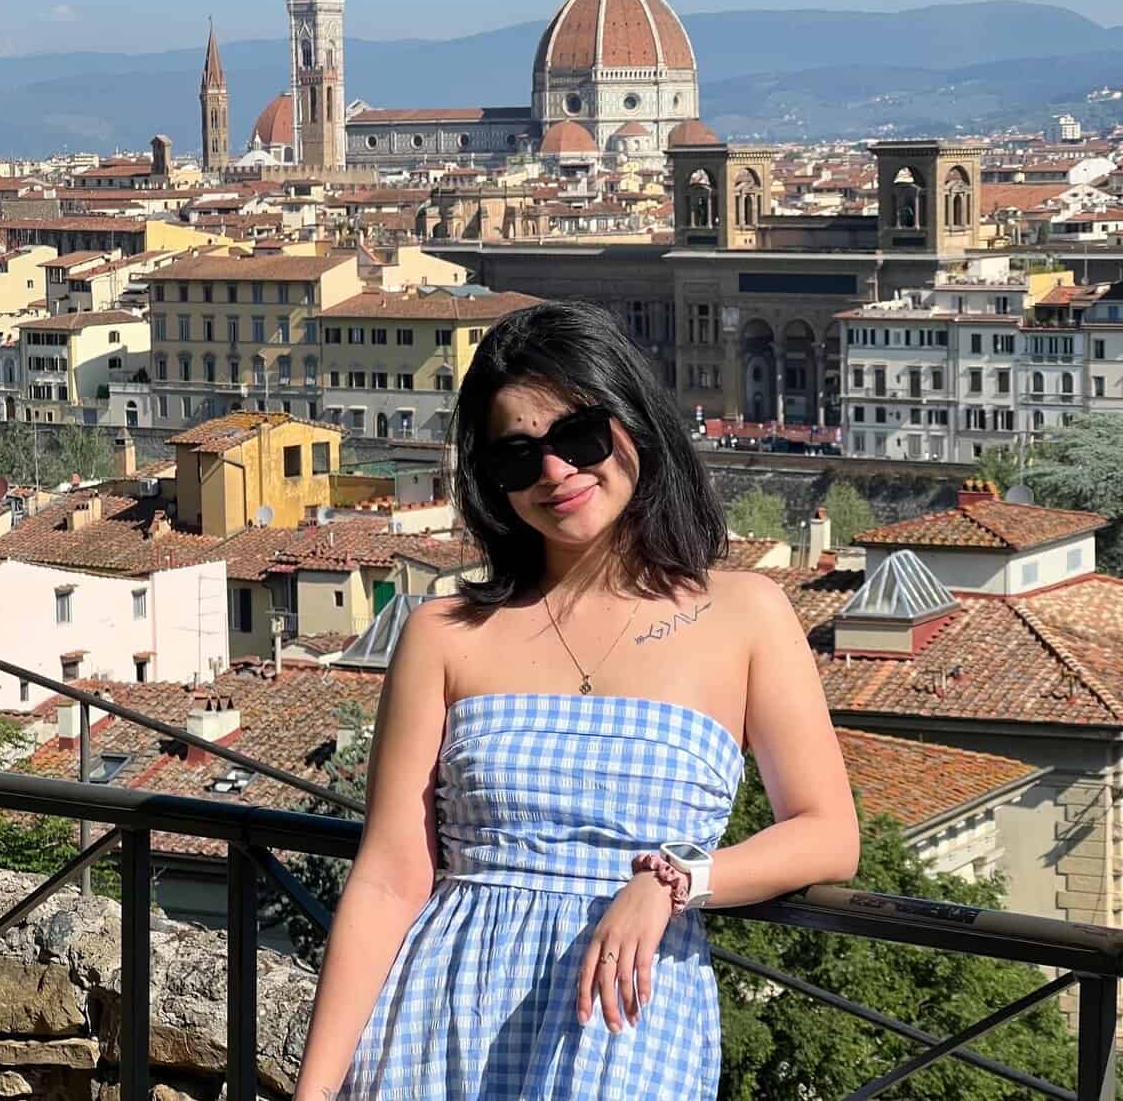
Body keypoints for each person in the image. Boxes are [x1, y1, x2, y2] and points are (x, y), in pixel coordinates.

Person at [293, 300, 859, 1100]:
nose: (555, 473)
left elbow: (829, 834)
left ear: (635, 424)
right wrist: (312, 1094)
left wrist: (675, 882)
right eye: (517, 458)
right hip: (435, 1018)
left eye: (579, 437)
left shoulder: (746, 614)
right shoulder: (445, 633)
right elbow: (389, 878)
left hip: (624, 1025)